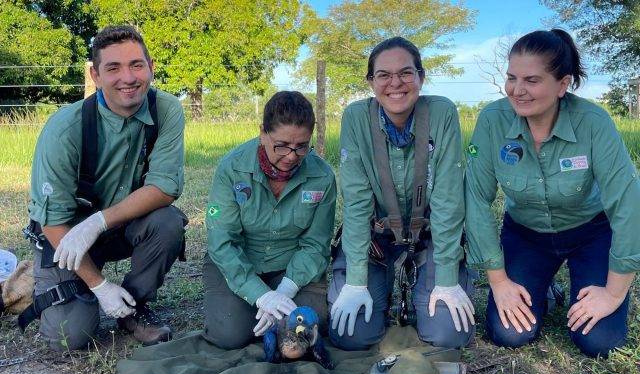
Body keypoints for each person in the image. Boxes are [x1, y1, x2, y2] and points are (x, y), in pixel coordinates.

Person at [465, 29, 640, 357]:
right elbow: (476, 199)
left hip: (590, 232)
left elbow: (628, 205)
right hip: (526, 235)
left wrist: (613, 294)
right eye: (512, 78)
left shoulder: (593, 122)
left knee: (599, 341)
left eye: (532, 80)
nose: (517, 90)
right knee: (509, 333)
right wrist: (499, 282)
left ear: (563, 85)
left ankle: (579, 284)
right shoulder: (492, 121)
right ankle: (542, 289)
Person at [24, 25, 187, 351]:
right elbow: (53, 222)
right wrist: (99, 286)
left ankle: (133, 307)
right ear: (95, 76)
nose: (128, 77)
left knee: (168, 222)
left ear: (151, 67)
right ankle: (56, 284)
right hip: (68, 236)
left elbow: (165, 187)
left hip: (120, 226)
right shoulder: (64, 128)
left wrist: (98, 222)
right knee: (69, 337)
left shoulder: (167, 110)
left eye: (136, 65)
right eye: (113, 68)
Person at [329, 36, 476, 351]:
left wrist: (447, 279)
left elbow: (448, 202)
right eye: (383, 75)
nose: (395, 83)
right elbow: (356, 205)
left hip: (430, 234)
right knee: (351, 335)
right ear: (371, 81)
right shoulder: (356, 118)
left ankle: (428, 275)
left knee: (448, 334)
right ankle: (377, 286)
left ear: (421, 77)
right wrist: (355, 281)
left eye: (406, 73)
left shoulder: (442, 113)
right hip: (377, 236)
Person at [203, 91, 336, 349]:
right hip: (240, 263)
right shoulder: (232, 169)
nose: (291, 156)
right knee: (230, 335)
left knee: (304, 332)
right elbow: (222, 242)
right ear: (262, 133)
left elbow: (316, 244)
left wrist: (285, 291)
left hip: (293, 268)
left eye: (301, 146)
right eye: (282, 145)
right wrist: (261, 295)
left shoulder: (323, 177)